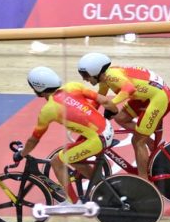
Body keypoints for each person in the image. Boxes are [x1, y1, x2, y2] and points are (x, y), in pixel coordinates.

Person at [14, 67, 116, 204]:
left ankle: (73, 203)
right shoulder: (73, 86)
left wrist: (22, 154)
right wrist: (114, 112)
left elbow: (34, 140)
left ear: (37, 88)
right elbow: (105, 101)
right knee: (72, 156)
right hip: (108, 128)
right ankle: (103, 187)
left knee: (57, 161)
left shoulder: (48, 110)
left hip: (98, 139)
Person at [78, 53, 170, 181]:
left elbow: (129, 88)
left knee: (137, 141)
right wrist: (85, 114)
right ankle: (150, 141)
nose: (84, 79)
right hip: (146, 95)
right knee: (121, 118)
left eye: (85, 75)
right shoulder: (105, 79)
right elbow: (98, 100)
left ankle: (144, 182)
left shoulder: (112, 76)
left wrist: (111, 104)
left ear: (95, 71)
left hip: (158, 98)